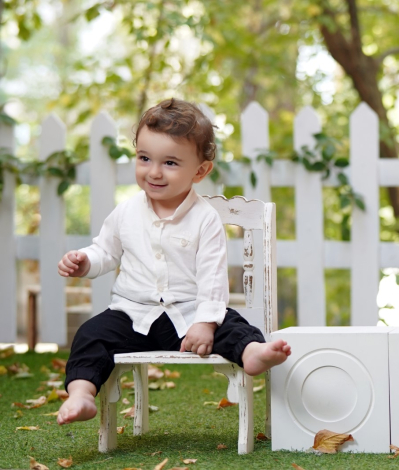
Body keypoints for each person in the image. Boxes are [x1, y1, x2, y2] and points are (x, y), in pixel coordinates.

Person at [56, 98, 290, 425]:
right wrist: (85, 262)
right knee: (91, 334)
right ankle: (81, 394)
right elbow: (106, 251)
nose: (154, 171)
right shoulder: (126, 211)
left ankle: (253, 354)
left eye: (170, 163)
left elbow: (212, 278)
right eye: (144, 158)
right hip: (133, 313)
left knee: (232, 324)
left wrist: (206, 322)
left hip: (190, 315)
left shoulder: (204, 219)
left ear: (200, 170)